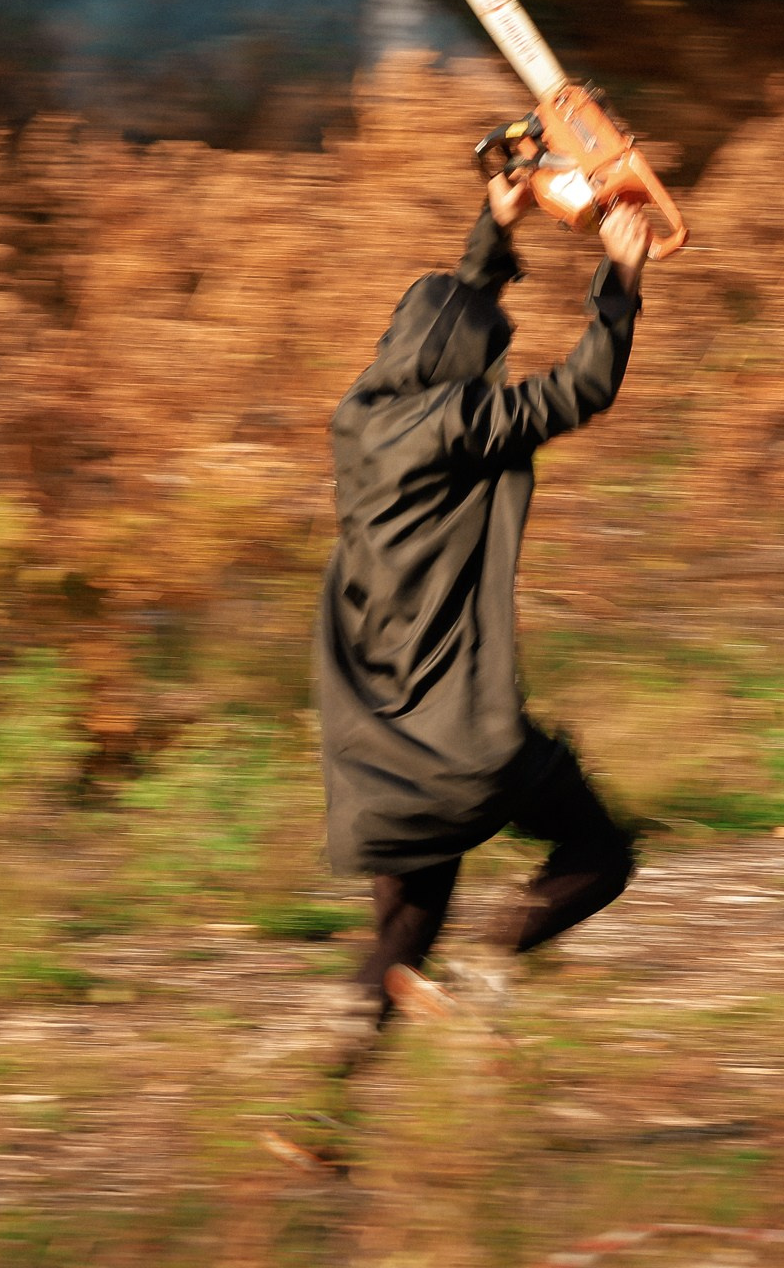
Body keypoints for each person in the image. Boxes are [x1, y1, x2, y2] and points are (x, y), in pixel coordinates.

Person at [313, 176, 652, 1051]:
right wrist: (619, 279)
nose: (494, 365)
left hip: (378, 741)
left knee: (400, 936)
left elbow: (442, 326)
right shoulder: (463, 421)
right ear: (468, 365)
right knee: (600, 855)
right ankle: (484, 973)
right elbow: (582, 389)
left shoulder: (357, 418)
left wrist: (495, 228)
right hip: (465, 733)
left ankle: (320, 1118)